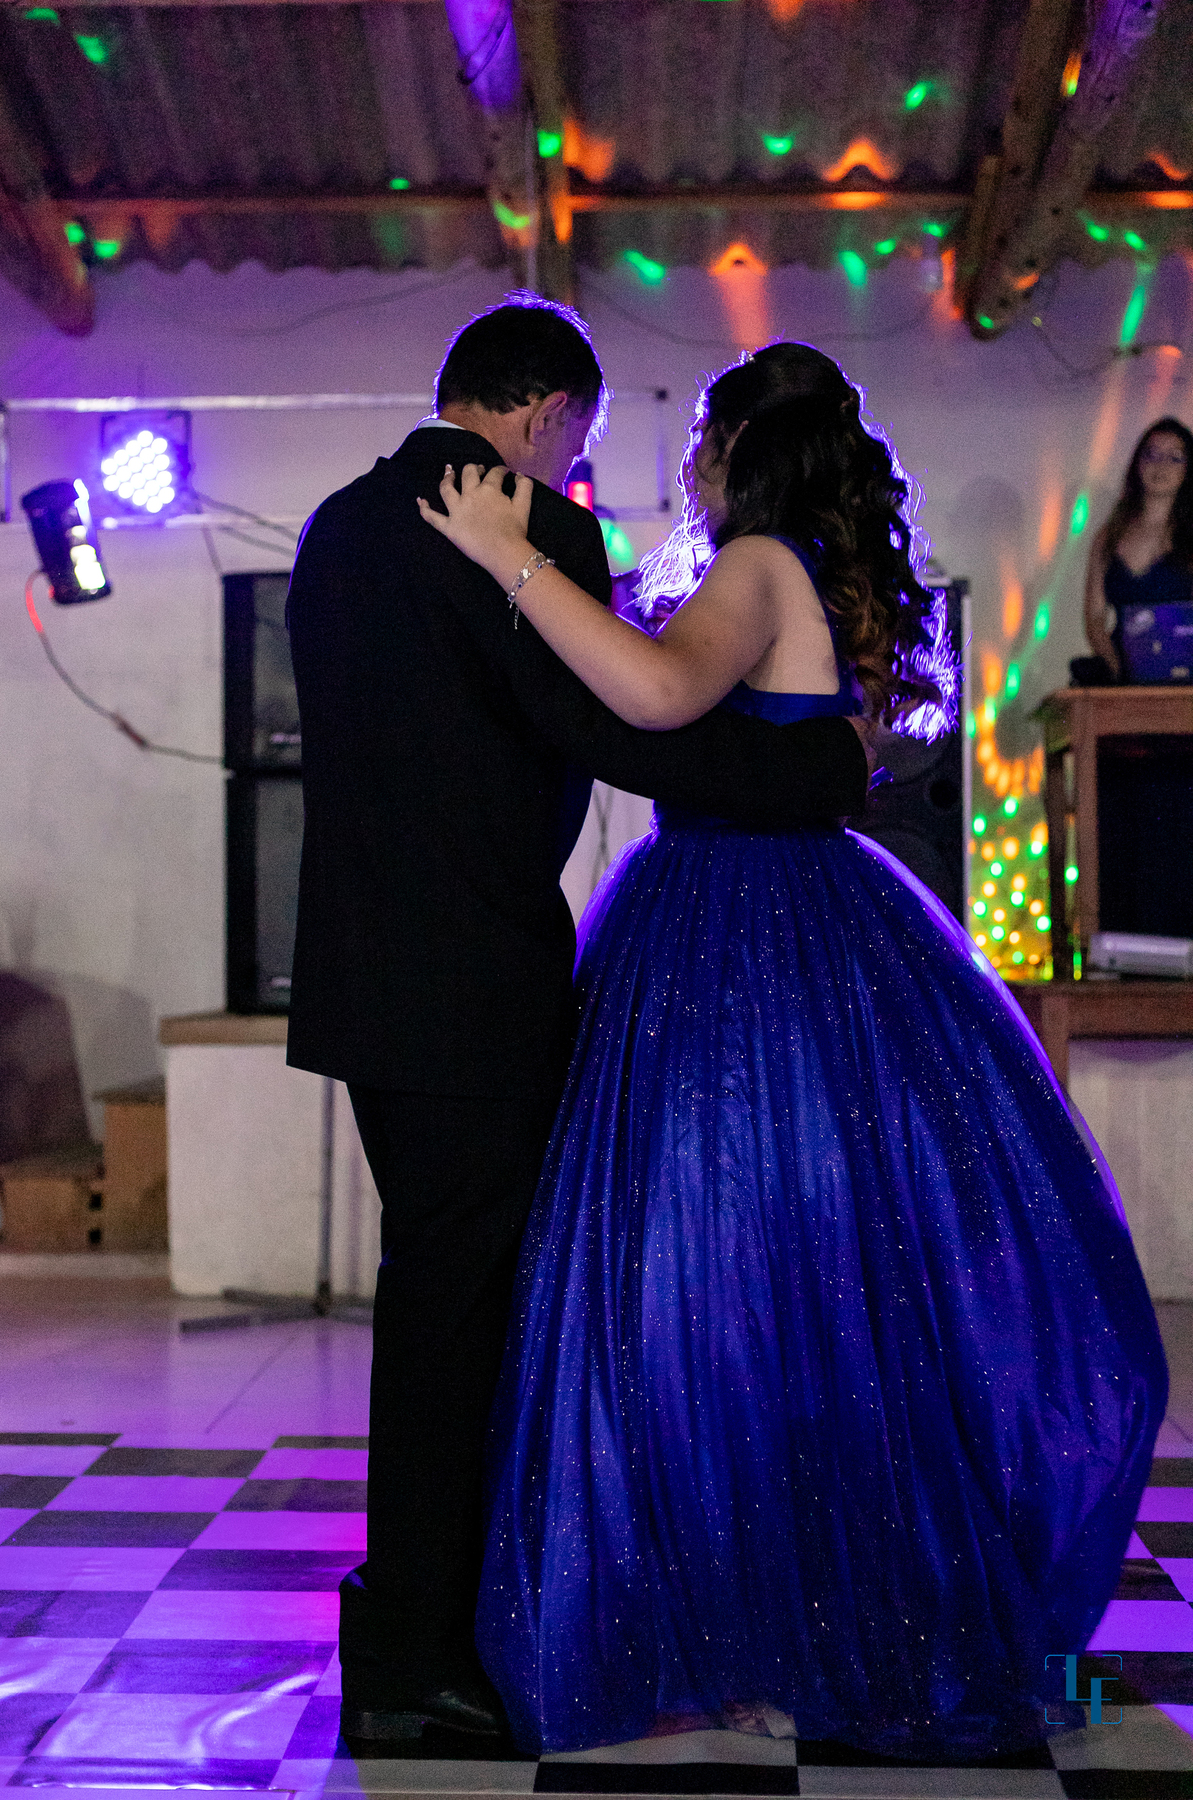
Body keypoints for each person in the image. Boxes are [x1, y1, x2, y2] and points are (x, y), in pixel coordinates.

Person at [418, 342, 1169, 1761]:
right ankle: (782, 1612)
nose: (691, 460)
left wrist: (508, 556)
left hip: (731, 934)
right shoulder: (808, 570)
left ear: (746, 448)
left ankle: (755, 1627)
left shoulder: (760, 564)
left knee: (712, 1285)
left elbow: (654, 698)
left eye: (704, 437)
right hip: (802, 917)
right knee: (804, 1290)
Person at [285, 301, 870, 1743]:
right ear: (548, 415)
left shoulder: (336, 528)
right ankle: (424, 1654)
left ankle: (421, 1631)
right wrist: (810, 770)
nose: (575, 465)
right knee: (467, 1316)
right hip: (479, 986)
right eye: (581, 438)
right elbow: (615, 732)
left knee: (437, 1294)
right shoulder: (533, 528)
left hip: (361, 979)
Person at [1083, 416, 1193, 679]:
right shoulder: (1108, 537)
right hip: (1123, 675)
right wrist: (1117, 667)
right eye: (1151, 455)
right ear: (1137, 464)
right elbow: (1095, 617)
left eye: (1174, 458)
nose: (1161, 465)